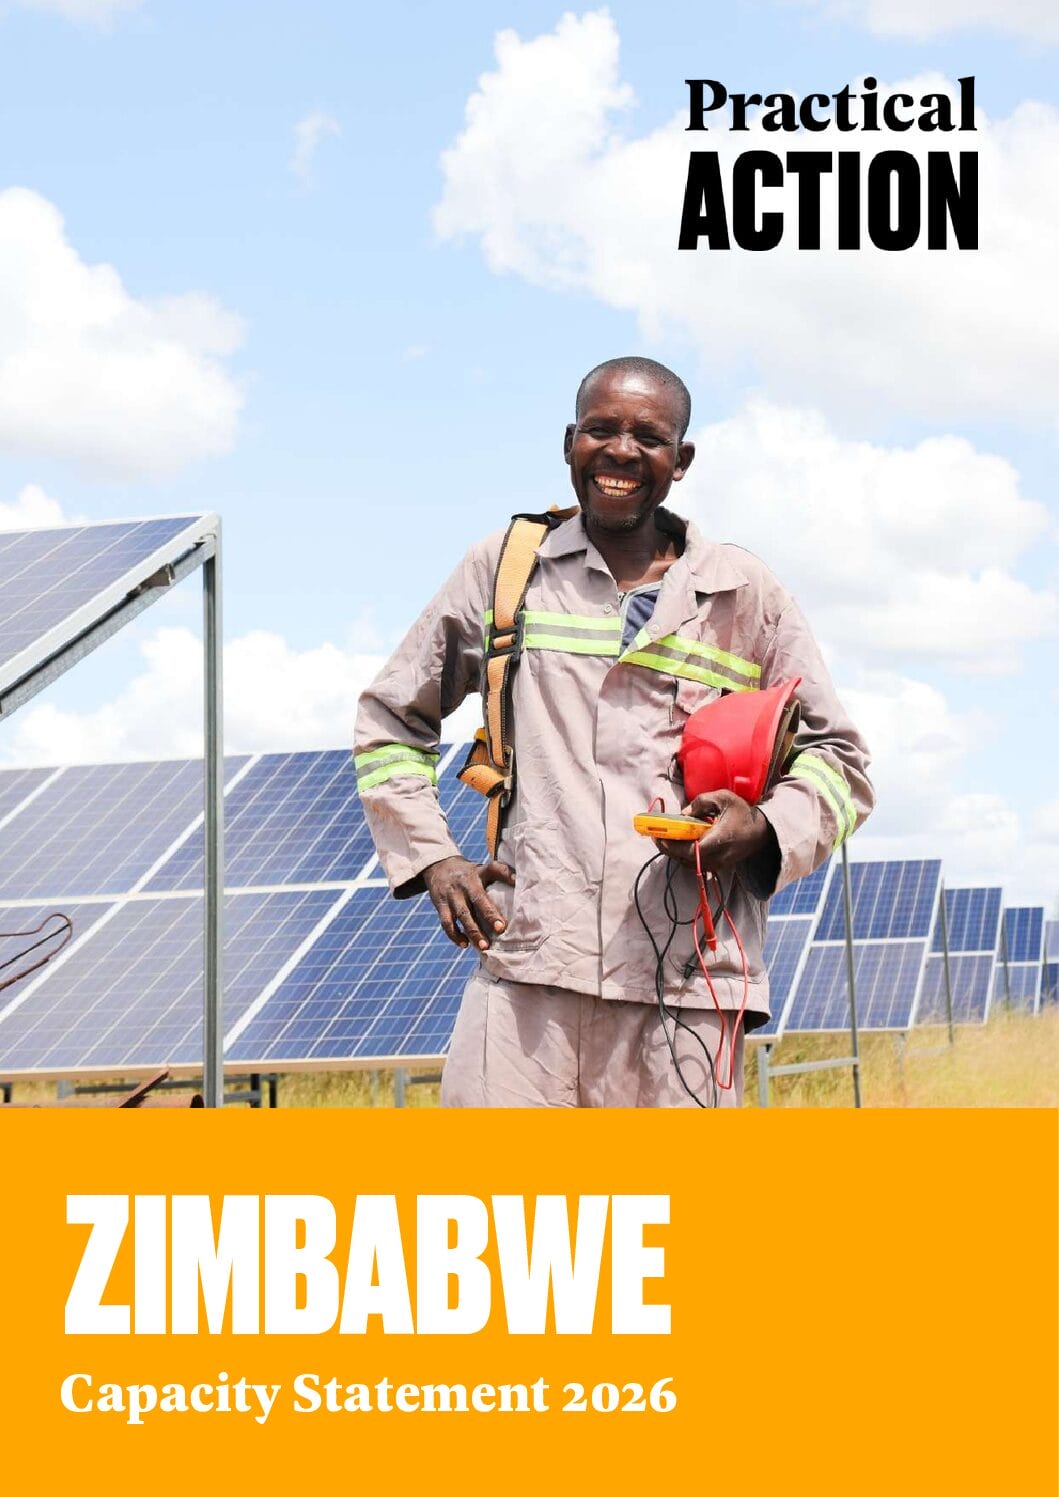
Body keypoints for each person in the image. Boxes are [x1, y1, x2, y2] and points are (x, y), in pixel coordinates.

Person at [355, 357, 874, 1107]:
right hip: (529, 972)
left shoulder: (741, 593)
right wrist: (432, 857)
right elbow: (389, 722)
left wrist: (760, 829)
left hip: (687, 989)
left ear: (681, 460)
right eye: (600, 430)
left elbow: (840, 762)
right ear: (569, 442)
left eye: (648, 436)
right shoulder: (506, 572)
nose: (621, 452)